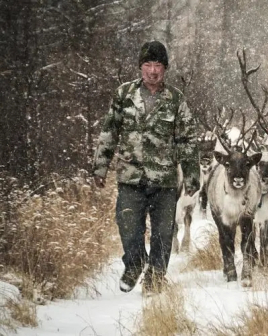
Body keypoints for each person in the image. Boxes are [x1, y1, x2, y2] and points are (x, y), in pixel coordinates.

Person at [92, 40, 199, 294]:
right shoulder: (124, 95)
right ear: (141, 67)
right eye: (148, 64)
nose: (153, 71)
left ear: (165, 68)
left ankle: (155, 278)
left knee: (163, 235)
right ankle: (135, 263)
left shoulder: (176, 100)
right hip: (130, 177)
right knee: (129, 228)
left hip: (164, 180)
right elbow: (110, 131)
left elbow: (187, 139)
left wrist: (192, 174)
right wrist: (100, 166)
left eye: (158, 65)